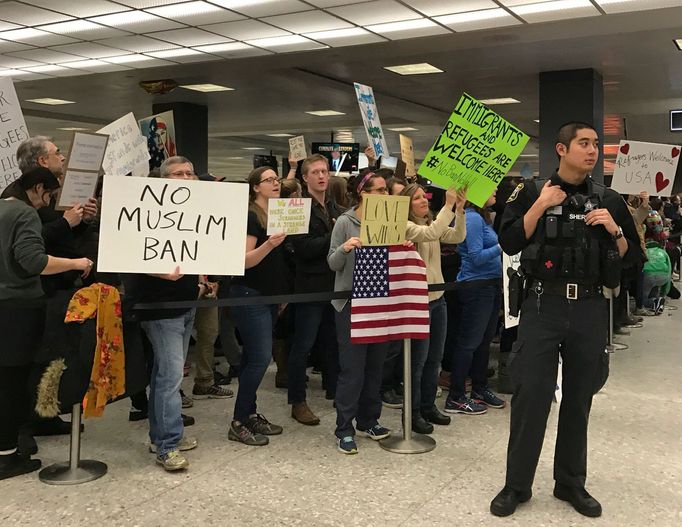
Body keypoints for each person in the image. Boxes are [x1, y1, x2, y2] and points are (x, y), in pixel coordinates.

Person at [490, 122, 640, 518]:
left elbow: (632, 259)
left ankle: (571, 482)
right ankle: (516, 485)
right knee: (531, 396)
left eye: (595, 145)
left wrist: (615, 231)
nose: (592, 151)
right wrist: (541, 206)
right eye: (584, 143)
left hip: (590, 308)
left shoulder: (608, 198)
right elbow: (508, 242)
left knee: (579, 398)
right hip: (543, 305)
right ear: (562, 148)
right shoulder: (531, 192)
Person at [0, 167, 91, 480]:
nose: (47, 203)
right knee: (15, 383)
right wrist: (76, 262)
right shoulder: (23, 214)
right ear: (38, 188)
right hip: (19, 308)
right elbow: (34, 261)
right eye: (50, 195)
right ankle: (7, 455)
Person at [124, 156, 201, 472]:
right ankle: (168, 446)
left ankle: (162, 435)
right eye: (179, 173)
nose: (186, 176)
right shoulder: (147, 210)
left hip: (187, 303)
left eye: (190, 172)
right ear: (163, 179)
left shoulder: (198, 210)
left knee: (164, 375)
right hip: (158, 306)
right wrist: (160, 274)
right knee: (170, 377)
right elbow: (128, 253)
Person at [328, 171, 392, 454]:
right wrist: (345, 248)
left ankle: (370, 420)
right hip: (351, 303)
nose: (385, 195)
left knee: (375, 366)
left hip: (380, 301)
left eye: (386, 191)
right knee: (352, 369)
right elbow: (332, 262)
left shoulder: (389, 220)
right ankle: (344, 428)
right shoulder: (345, 221)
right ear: (364, 193)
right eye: (379, 190)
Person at [228, 166, 291, 446]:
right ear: (255, 187)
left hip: (267, 295)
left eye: (277, 179)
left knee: (254, 356)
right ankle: (239, 420)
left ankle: (250, 412)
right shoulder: (250, 216)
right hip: (248, 292)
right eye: (269, 180)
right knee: (260, 358)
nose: (275, 183)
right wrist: (270, 245)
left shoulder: (276, 213)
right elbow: (244, 260)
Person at [400, 184, 467, 434]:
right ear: (406, 204)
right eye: (416, 197)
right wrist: (448, 205)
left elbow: (457, 236)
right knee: (417, 362)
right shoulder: (406, 227)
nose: (423, 200)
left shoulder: (431, 224)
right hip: (416, 303)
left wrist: (459, 211)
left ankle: (428, 406)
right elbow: (430, 233)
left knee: (434, 359)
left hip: (438, 300)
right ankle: (414, 411)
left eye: (423, 196)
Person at [288, 154, 345, 425]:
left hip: (335, 285)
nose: (322, 176)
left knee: (332, 341)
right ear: (305, 178)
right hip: (309, 286)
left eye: (325, 172)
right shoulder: (298, 207)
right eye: (316, 172)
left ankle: (335, 389)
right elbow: (302, 248)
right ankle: (297, 401)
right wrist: (333, 239)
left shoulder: (337, 208)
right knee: (303, 345)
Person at [444, 192, 506, 417]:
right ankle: (456, 395)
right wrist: (502, 246)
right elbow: (476, 256)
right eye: (491, 188)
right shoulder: (472, 218)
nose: (495, 192)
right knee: (469, 343)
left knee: (483, 342)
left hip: (489, 285)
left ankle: (480, 389)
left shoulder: (483, 218)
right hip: (475, 286)